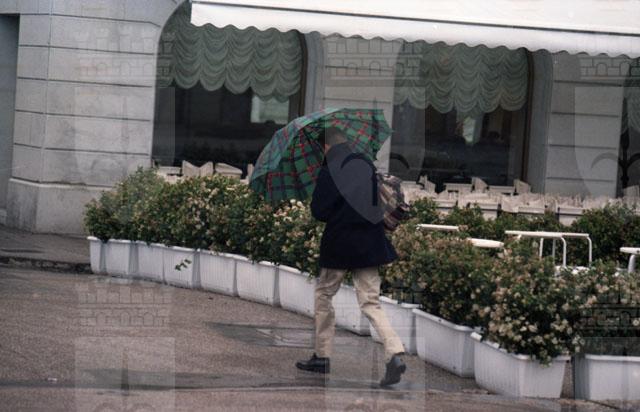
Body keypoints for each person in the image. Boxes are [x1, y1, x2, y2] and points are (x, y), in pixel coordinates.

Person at [295, 126, 407, 387]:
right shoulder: (365, 165)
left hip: (339, 244)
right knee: (371, 302)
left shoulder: (329, 170)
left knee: (324, 296)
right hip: (369, 243)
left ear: (326, 147)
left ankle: (322, 356)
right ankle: (394, 352)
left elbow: (319, 211)